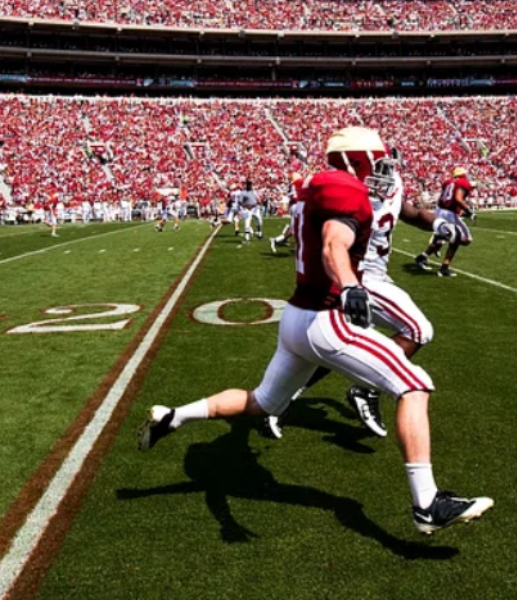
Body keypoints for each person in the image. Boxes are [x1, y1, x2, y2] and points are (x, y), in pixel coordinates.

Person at [138, 126, 493, 536]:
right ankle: (427, 503)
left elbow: (339, 235)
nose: (382, 171)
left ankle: (174, 416)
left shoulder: (320, 187)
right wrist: (350, 286)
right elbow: (332, 245)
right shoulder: (347, 192)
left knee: (263, 402)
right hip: (325, 320)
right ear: (353, 160)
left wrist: (227, 518)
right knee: (415, 385)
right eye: (374, 163)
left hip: (295, 317)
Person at [263, 155, 457, 439]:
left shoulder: (392, 186)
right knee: (418, 329)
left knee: (333, 347)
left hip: (376, 276)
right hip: (357, 278)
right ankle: (366, 388)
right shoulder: (344, 190)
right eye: (373, 169)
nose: (381, 177)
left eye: (385, 169)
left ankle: (278, 402)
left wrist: (437, 223)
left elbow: (410, 212)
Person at [415, 166, 475, 277]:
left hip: (440, 210)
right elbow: (457, 198)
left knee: (446, 236)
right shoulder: (463, 183)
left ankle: (424, 256)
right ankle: (444, 267)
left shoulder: (448, 182)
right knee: (465, 239)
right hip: (449, 213)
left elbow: (444, 198)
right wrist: (468, 211)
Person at [270, 172, 304, 253]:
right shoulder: (296, 184)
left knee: (297, 228)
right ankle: (276, 240)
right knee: (297, 228)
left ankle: (297, 246)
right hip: (296, 206)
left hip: (295, 206)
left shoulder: (293, 185)